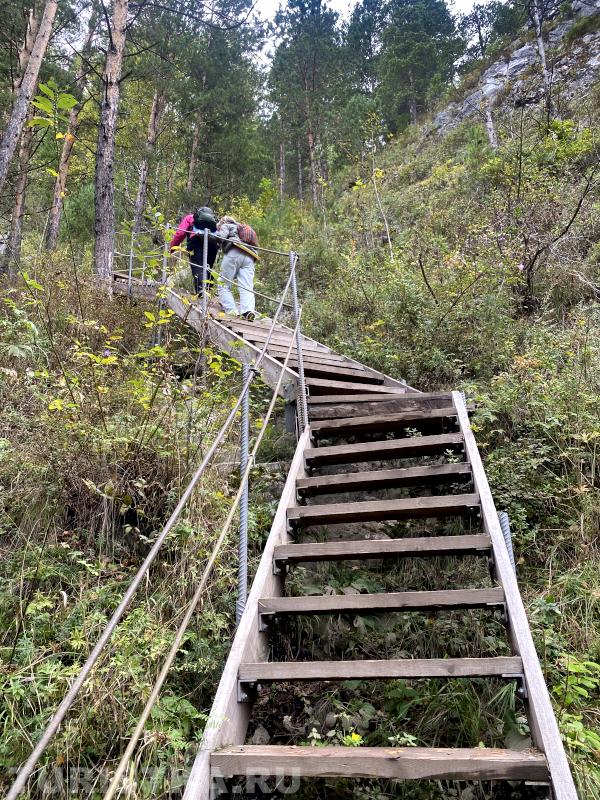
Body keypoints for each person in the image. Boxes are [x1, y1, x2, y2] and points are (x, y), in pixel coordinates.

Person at [216, 215, 259, 321]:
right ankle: (248, 311)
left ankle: (231, 311)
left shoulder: (226, 225)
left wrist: (211, 236)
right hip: (250, 256)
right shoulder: (242, 228)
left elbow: (220, 237)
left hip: (235, 252)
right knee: (246, 286)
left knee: (223, 284)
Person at [169, 207, 219, 296]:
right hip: (213, 243)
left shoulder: (189, 217)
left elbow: (180, 233)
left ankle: (201, 291)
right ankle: (209, 292)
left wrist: (172, 248)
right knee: (208, 267)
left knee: (198, 266)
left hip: (196, 241)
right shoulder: (213, 221)